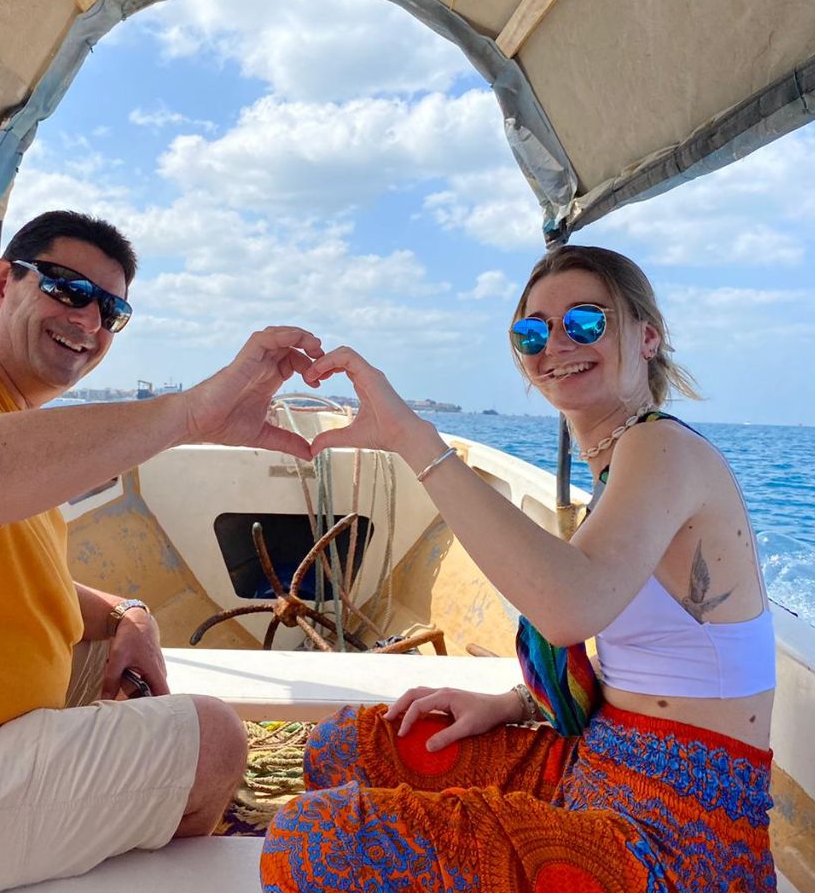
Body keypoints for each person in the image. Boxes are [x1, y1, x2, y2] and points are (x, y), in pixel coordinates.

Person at [0, 210, 326, 892]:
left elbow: (14, 575)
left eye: (112, 310)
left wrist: (128, 615)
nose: (90, 321)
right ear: (0, 282)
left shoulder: (3, 419)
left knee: (108, 654)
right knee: (215, 739)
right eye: (68, 289)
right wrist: (189, 414)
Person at [260, 245, 777, 892]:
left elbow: (569, 609)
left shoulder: (662, 447)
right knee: (349, 747)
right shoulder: (620, 469)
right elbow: (631, 655)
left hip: (681, 835)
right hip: (593, 764)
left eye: (586, 322)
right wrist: (511, 703)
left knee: (312, 843)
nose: (556, 343)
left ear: (648, 337)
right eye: (532, 330)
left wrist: (411, 438)